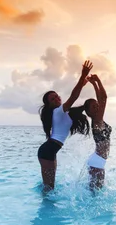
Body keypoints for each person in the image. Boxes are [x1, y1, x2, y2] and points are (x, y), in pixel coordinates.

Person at [37, 60, 93, 191]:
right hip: (47, 151)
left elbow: (74, 98)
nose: (57, 99)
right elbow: (74, 96)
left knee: (49, 187)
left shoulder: (63, 113)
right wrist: (82, 75)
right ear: (49, 105)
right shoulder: (57, 111)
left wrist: (84, 81)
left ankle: (47, 208)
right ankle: (45, 209)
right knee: (49, 189)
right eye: (53, 99)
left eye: (57, 96)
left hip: (50, 151)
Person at [84, 74, 111, 191]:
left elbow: (101, 100)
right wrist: (98, 81)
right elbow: (104, 98)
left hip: (97, 161)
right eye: (93, 107)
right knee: (95, 195)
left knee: (94, 194)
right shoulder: (97, 121)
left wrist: (94, 83)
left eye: (97, 105)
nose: (97, 107)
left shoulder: (98, 120)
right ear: (89, 112)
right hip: (97, 162)